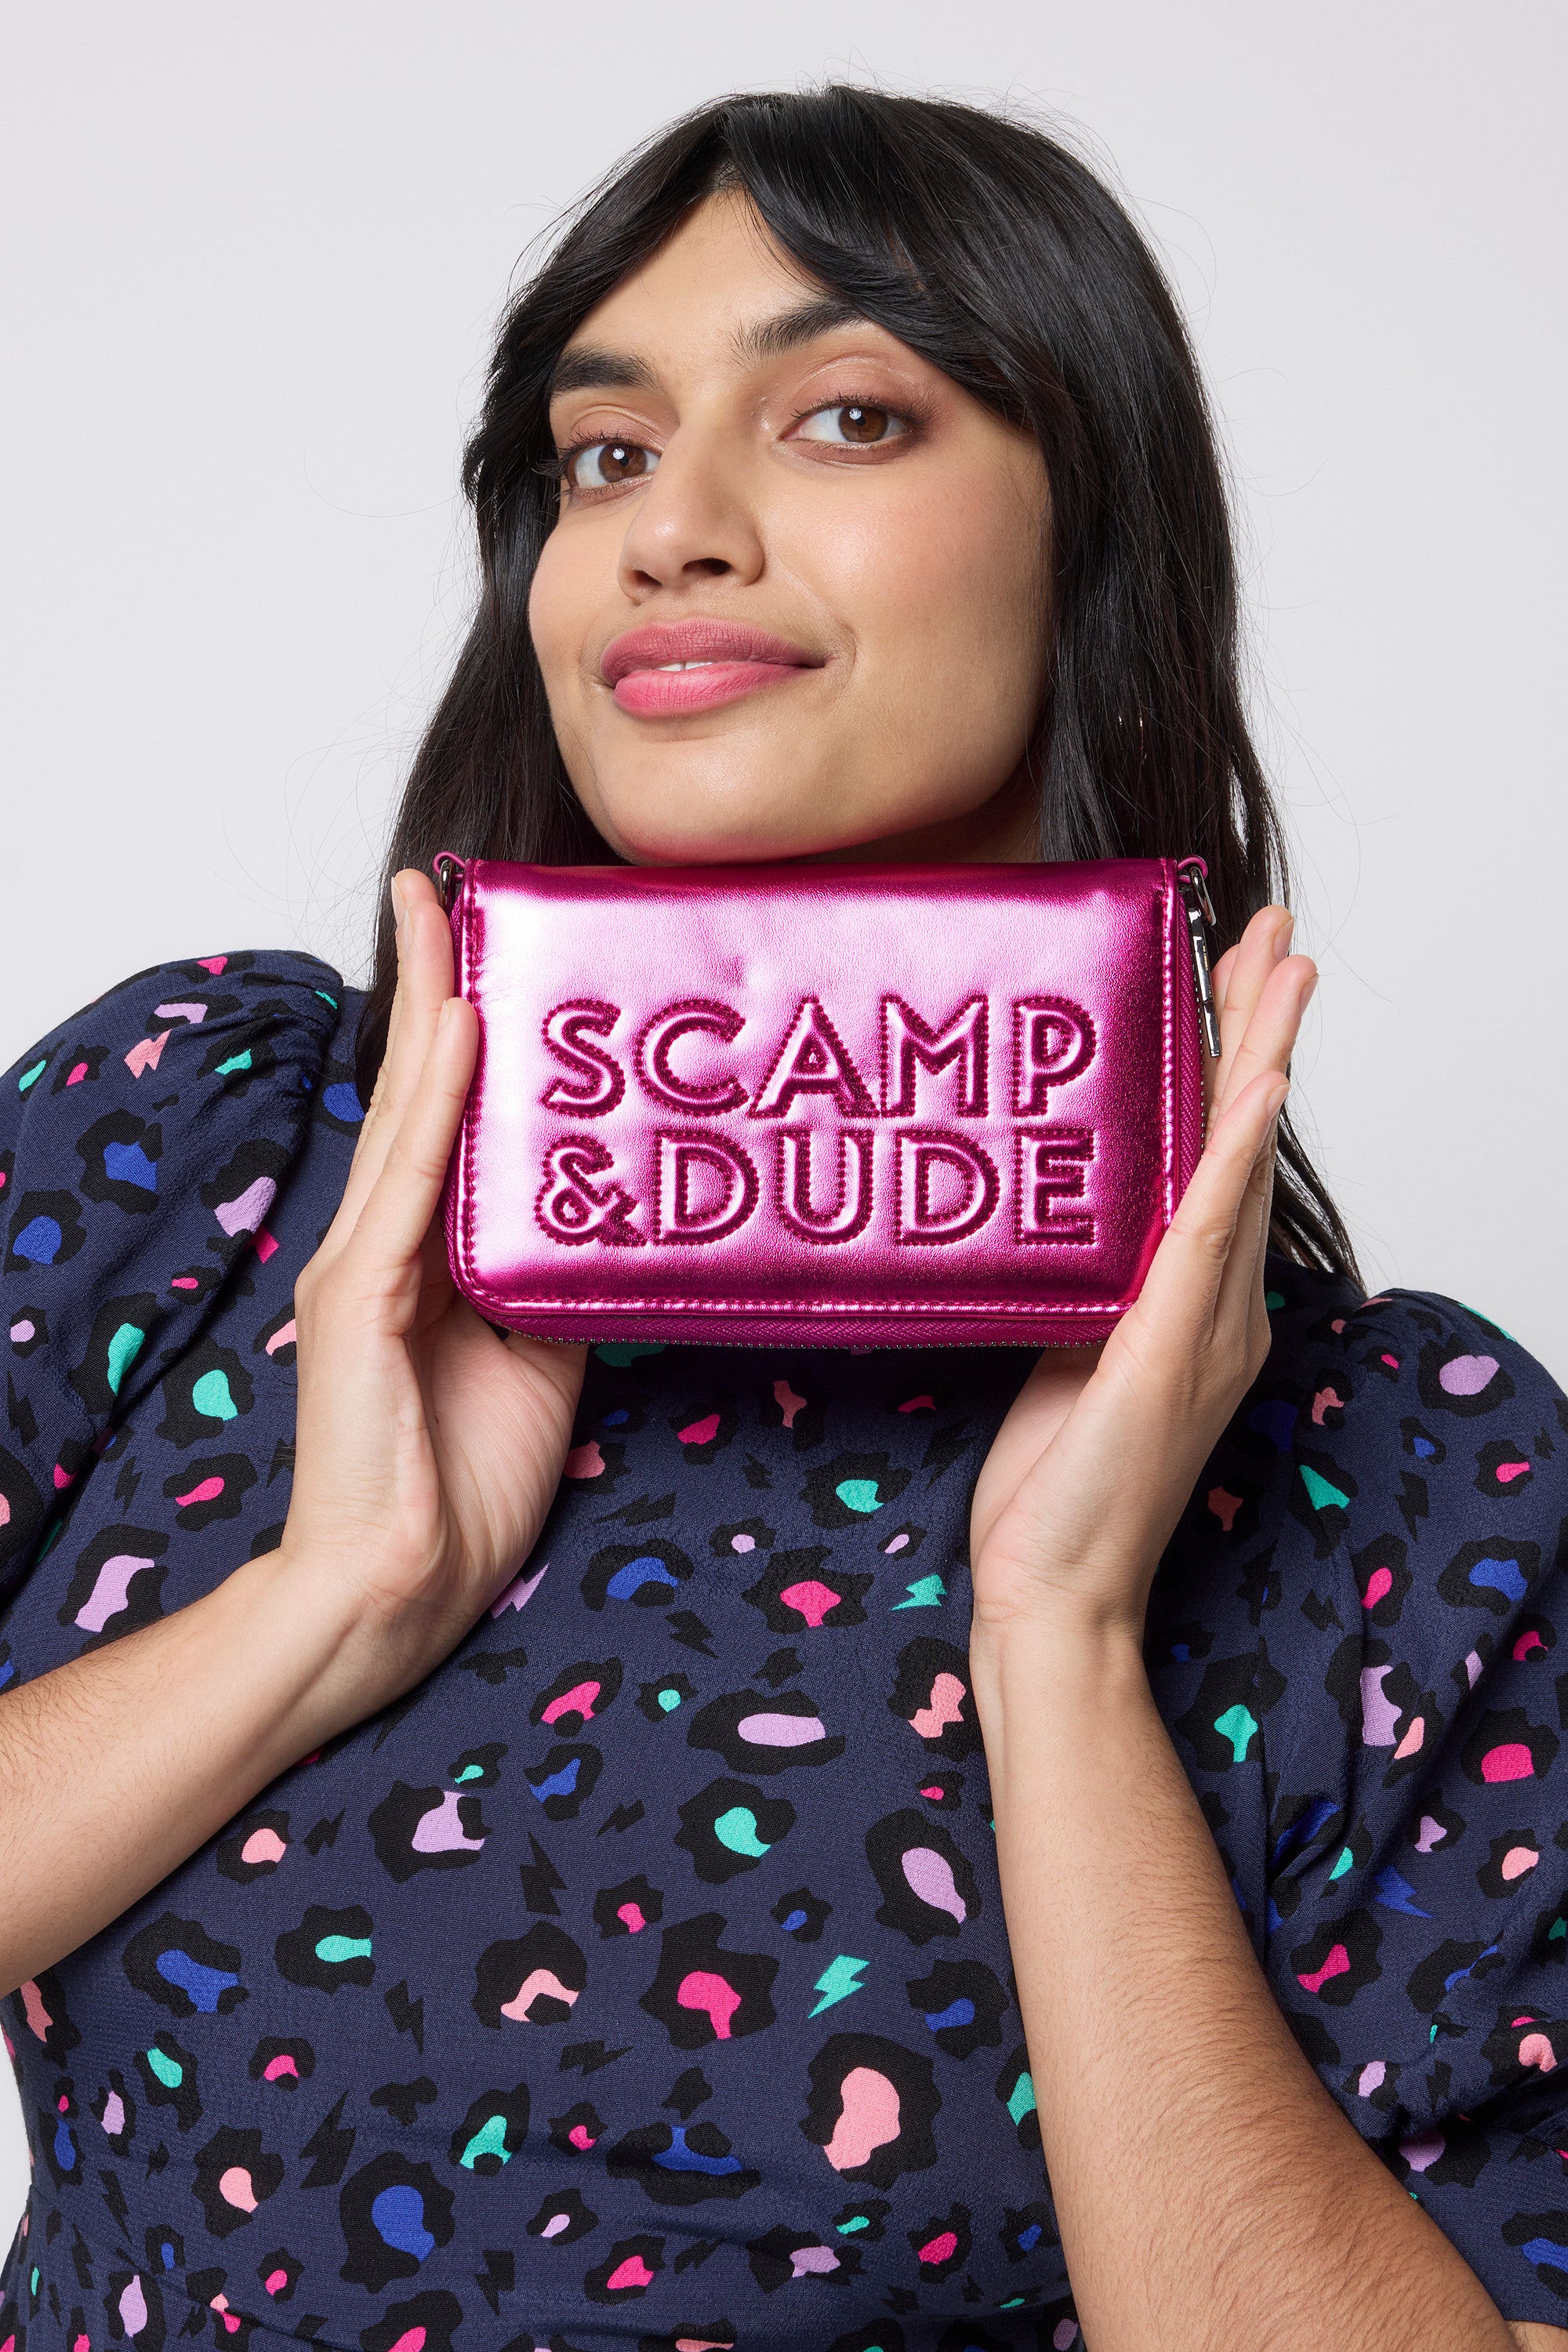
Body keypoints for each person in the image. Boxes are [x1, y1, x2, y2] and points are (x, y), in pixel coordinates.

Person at [2, 86, 1563, 2352]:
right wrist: (334, 1602)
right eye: (603, 454)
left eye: (845, 414)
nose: (667, 532)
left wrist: (1060, 1635)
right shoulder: (218, 1158)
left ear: (1090, 534)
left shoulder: (1413, 1482)